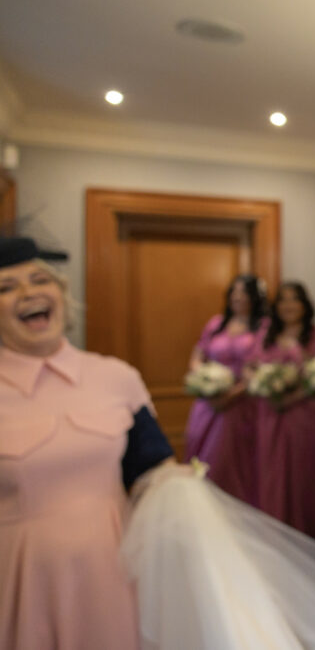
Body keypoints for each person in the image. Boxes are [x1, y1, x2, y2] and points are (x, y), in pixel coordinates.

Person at [0, 237, 175, 649]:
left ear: (61, 292)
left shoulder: (116, 376)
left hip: (116, 574)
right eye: (6, 287)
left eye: (40, 279)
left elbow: (153, 471)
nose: (28, 293)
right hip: (23, 582)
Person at [249, 281, 315, 538]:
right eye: (282, 300)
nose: (288, 305)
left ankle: (304, 533)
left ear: (304, 305)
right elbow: (250, 367)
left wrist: (291, 398)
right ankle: (273, 532)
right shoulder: (266, 334)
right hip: (270, 415)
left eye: (294, 299)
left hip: (304, 415)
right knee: (272, 473)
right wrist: (260, 384)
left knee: (302, 475)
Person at [184, 274, 267, 505]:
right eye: (234, 291)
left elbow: (259, 367)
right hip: (207, 404)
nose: (237, 297)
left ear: (254, 297)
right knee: (200, 457)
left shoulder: (262, 327)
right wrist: (203, 379)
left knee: (225, 463)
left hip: (239, 405)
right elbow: (199, 353)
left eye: (244, 292)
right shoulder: (216, 323)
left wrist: (231, 394)